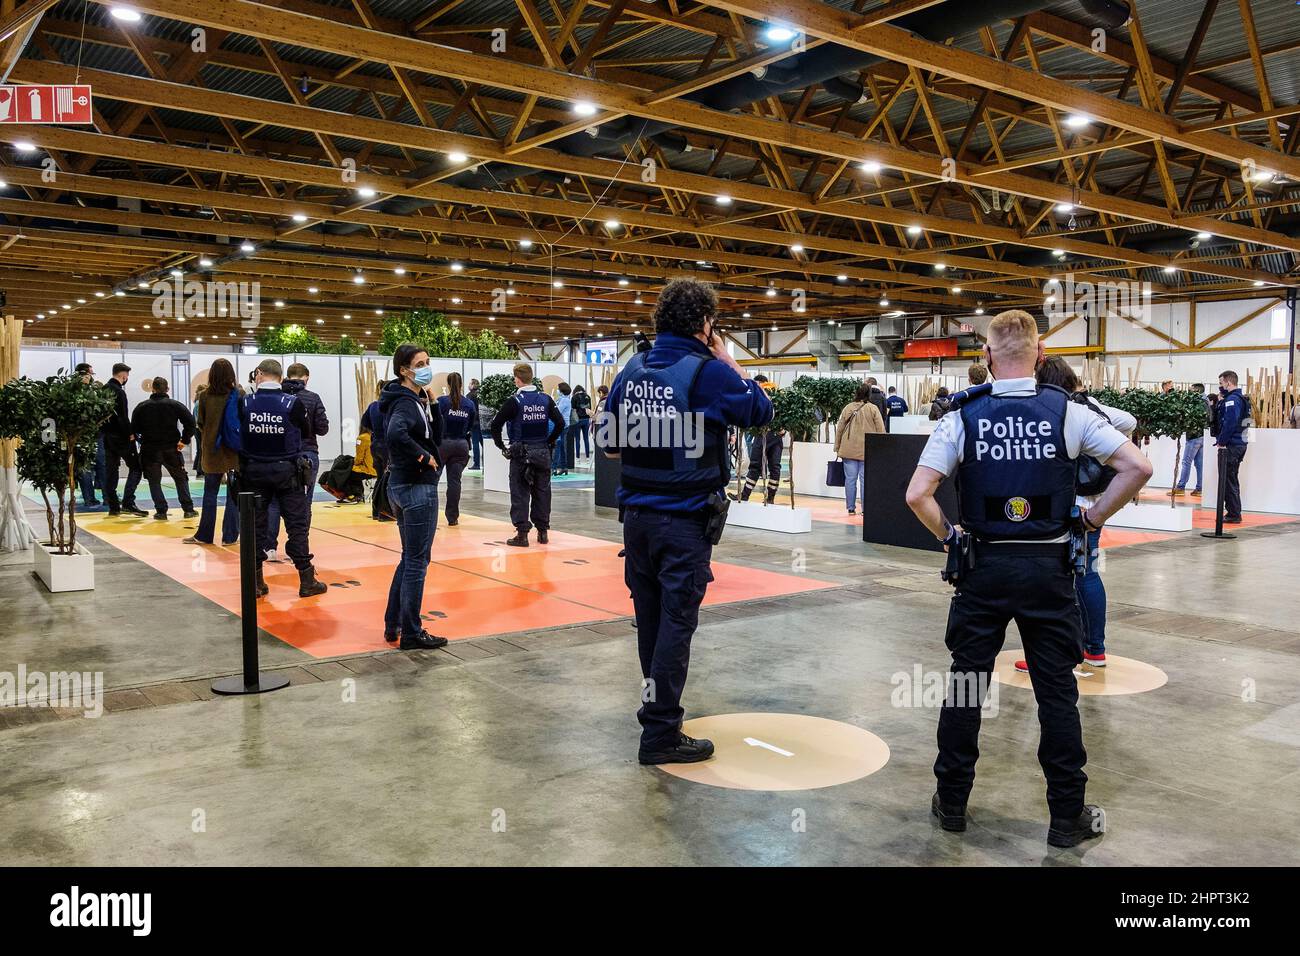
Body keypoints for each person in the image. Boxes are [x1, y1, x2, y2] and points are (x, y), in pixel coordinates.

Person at [904, 309, 1152, 847]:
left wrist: (951, 538)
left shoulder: (961, 416)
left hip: (983, 568)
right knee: (1056, 692)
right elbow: (1138, 467)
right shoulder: (1069, 412)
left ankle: (951, 803)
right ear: (1040, 357)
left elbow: (916, 494)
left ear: (987, 357)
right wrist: (1090, 519)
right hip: (1047, 569)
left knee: (967, 685)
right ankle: (1066, 817)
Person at [600, 277, 773, 765]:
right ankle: (659, 732)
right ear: (706, 324)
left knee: (650, 624)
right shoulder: (708, 373)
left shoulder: (631, 369)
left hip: (636, 521)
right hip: (684, 523)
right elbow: (762, 410)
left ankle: (657, 715)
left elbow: (610, 444)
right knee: (677, 624)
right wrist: (728, 360)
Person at [1014, 357, 1136, 672]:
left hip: (1065, 505)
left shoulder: (1054, 410)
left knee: (1049, 577)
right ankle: (1094, 648)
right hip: (1092, 506)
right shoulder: (1091, 406)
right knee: (1087, 572)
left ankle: (1046, 652)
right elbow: (1130, 421)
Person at [239, 359, 328, 599]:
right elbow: (307, 431)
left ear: (258, 374)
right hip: (287, 472)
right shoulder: (293, 403)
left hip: (254, 472)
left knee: (256, 527)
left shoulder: (245, 403)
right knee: (296, 525)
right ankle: (306, 579)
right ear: (280, 377)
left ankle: (256, 581)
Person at [380, 344, 447, 650]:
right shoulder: (405, 403)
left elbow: (437, 434)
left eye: (427, 362)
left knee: (410, 557)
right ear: (404, 371)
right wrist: (424, 458)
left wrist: (432, 403)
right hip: (416, 486)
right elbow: (396, 434)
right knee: (418, 560)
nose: (426, 367)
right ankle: (410, 630)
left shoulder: (409, 399)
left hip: (402, 484)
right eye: (420, 363)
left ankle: (394, 624)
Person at [490, 363, 566, 547]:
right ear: (531, 377)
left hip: (520, 453)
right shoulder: (546, 399)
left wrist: (501, 445)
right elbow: (561, 423)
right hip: (542, 452)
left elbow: (495, 424)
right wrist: (549, 441)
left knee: (520, 493)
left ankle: (522, 534)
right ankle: (543, 532)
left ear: (517, 379)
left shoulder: (514, 401)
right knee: (542, 492)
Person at [264, 363, 328, 563]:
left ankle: (269, 548)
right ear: (306, 377)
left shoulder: (277, 398)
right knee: (303, 503)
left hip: (279, 455)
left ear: (286, 376)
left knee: (273, 501)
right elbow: (323, 428)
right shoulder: (312, 398)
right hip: (307, 453)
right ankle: (299, 549)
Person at [185, 358, 241, 546]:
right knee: (233, 495)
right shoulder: (238, 394)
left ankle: (205, 535)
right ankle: (230, 536)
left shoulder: (205, 396)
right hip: (233, 450)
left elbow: (200, 422)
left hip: (211, 450)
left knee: (210, 493)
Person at [130, 377, 198, 521]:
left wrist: (142, 440)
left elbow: (134, 429)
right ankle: (188, 509)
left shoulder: (142, 407)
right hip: (171, 449)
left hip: (149, 450)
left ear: (152, 389)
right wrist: (184, 441)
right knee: (180, 479)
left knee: (154, 482)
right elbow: (191, 423)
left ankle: (161, 511)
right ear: (167, 389)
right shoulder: (175, 405)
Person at [834, 382, 886, 515]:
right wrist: (882, 449)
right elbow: (881, 430)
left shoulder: (848, 407)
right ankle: (865, 509)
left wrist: (837, 446)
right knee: (865, 480)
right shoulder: (873, 409)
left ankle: (851, 508)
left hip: (848, 449)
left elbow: (840, 428)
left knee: (850, 480)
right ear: (868, 394)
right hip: (867, 450)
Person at [102, 362, 146, 517]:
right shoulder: (119, 392)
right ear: (123, 375)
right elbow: (122, 416)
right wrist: (130, 434)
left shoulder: (103, 390)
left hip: (107, 437)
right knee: (136, 468)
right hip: (121, 438)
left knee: (111, 471)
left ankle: (113, 506)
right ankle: (128, 502)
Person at [435, 371, 476, 526]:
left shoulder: (441, 402)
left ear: (448, 384)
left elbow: (435, 422)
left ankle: (429, 514)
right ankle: (452, 517)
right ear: (461, 384)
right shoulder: (469, 404)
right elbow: (471, 425)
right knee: (454, 482)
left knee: (433, 480)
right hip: (461, 445)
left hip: (443, 444)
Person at [1214, 370, 1249, 524]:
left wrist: (1222, 441)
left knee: (1228, 479)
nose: (1220, 386)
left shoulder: (1233, 400)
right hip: (1239, 444)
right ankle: (1233, 511)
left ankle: (1234, 513)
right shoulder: (1243, 399)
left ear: (1228, 382)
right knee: (1231, 478)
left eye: (1221, 383)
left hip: (1232, 445)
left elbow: (1230, 423)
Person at [74, 363, 104, 511]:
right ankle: (102, 497)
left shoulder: (70, 392)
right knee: (99, 465)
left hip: (78, 436)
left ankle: (89, 498)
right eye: (91, 374)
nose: (92, 377)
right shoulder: (91, 394)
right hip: (92, 434)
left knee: (84, 467)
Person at [361, 381, 392, 521]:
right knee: (386, 480)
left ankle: (376, 510)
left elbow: (365, 422)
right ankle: (384, 511)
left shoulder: (373, 406)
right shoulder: (390, 407)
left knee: (380, 477)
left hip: (376, 445)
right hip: (387, 446)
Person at [1173, 383, 1207, 496]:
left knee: (1186, 462)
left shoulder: (1198, 402)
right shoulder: (1205, 400)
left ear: (1197, 391)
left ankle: (1181, 487)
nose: (1189, 392)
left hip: (1194, 436)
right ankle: (1199, 489)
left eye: (1191, 390)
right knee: (1199, 464)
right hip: (1202, 435)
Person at [551, 382, 573, 476]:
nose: (557, 390)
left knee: (557, 447)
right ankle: (564, 467)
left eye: (558, 389)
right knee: (562, 448)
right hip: (563, 426)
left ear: (561, 390)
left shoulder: (564, 400)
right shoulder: (562, 399)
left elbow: (557, 411)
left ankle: (553, 468)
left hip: (562, 426)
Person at [571, 385, 593, 461]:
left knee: (577, 439)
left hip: (577, 420)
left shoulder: (574, 397)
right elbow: (590, 409)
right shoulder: (588, 397)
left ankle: (577, 458)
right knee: (586, 438)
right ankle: (587, 457)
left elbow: (573, 410)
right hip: (586, 420)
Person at [467, 377, 483, 470]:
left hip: (474, 423)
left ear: (473, 385)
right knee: (483, 443)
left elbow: (470, 410)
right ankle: (486, 462)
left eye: (470, 383)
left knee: (475, 443)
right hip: (482, 422)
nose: (469, 385)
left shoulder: (469, 396)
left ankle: (476, 464)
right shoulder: (481, 395)